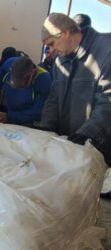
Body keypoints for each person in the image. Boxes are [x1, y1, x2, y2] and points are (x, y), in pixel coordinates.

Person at [40, 13, 111, 196]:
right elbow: (53, 98)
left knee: (88, 197)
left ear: (64, 34)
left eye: (51, 44)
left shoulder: (106, 50)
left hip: (97, 147)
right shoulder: (60, 62)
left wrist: (86, 134)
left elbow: (108, 101)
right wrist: (46, 127)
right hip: (70, 146)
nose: (51, 51)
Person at [0, 57, 51, 125]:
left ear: (32, 72)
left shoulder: (44, 79)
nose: (19, 88)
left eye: (22, 85)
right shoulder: (8, 64)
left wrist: (10, 116)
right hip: (10, 113)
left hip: (27, 121)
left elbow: (37, 112)